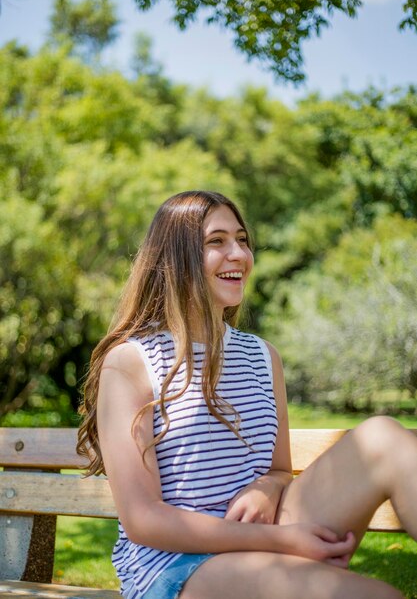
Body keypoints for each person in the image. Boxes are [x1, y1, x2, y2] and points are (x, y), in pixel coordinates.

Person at [77, 190, 416, 599]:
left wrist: (266, 488)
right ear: (175, 258)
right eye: (216, 242)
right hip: (176, 566)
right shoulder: (130, 363)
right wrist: (284, 542)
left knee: (384, 437)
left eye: (242, 239)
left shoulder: (262, 356)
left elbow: (278, 469)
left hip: (264, 534)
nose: (238, 253)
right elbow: (143, 520)